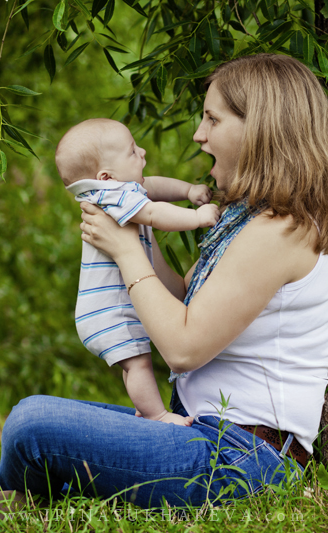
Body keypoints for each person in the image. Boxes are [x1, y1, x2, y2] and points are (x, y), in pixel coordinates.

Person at [0, 53, 328, 520]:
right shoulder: (245, 219)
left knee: (33, 423)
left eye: (212, 119)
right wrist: (133, 230)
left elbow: (183, 348)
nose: (199, 134)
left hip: (242, 460)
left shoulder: (279, 231)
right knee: (37, 419)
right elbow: (178, 301)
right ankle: (18, 498)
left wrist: (127, 251)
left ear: (260, 130)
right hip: (207, 436)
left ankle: (18, 498)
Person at [56, 118, 219, 427]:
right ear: (106, 177)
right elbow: (154, 212)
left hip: (104, 310)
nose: (142, 152)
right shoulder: (111, 197)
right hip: (110, 311)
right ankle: (157, 414)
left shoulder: (115, 192)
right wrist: (197, 217)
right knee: (138, 364)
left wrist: (188, 190)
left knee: (134, 362)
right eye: (132, 151)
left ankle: (146, 408)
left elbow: (152, 187)